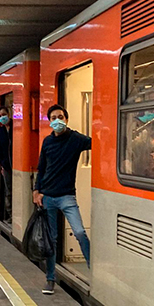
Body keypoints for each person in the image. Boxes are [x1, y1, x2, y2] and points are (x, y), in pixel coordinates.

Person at [34, 104, 93, 295]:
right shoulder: (47, 142)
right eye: (53, 118)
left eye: (60, 117)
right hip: (48, 196)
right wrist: (37, 190)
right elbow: (42, 168)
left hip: (67, 196)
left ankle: (94, 272)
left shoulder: (76, 139)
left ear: (66, 119)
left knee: (79, 232)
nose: (57, 121)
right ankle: (50, 279)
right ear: (49, 121)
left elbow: (97, 142)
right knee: (51, 239)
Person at [0, 107, 13, 222]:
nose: (2, 117)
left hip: (16, 164)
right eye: (0, 116)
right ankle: (10, 214)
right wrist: (2, 164)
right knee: (8, 190)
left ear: (9, 114)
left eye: (4, 114)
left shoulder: (16, 127)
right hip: (6, 165)